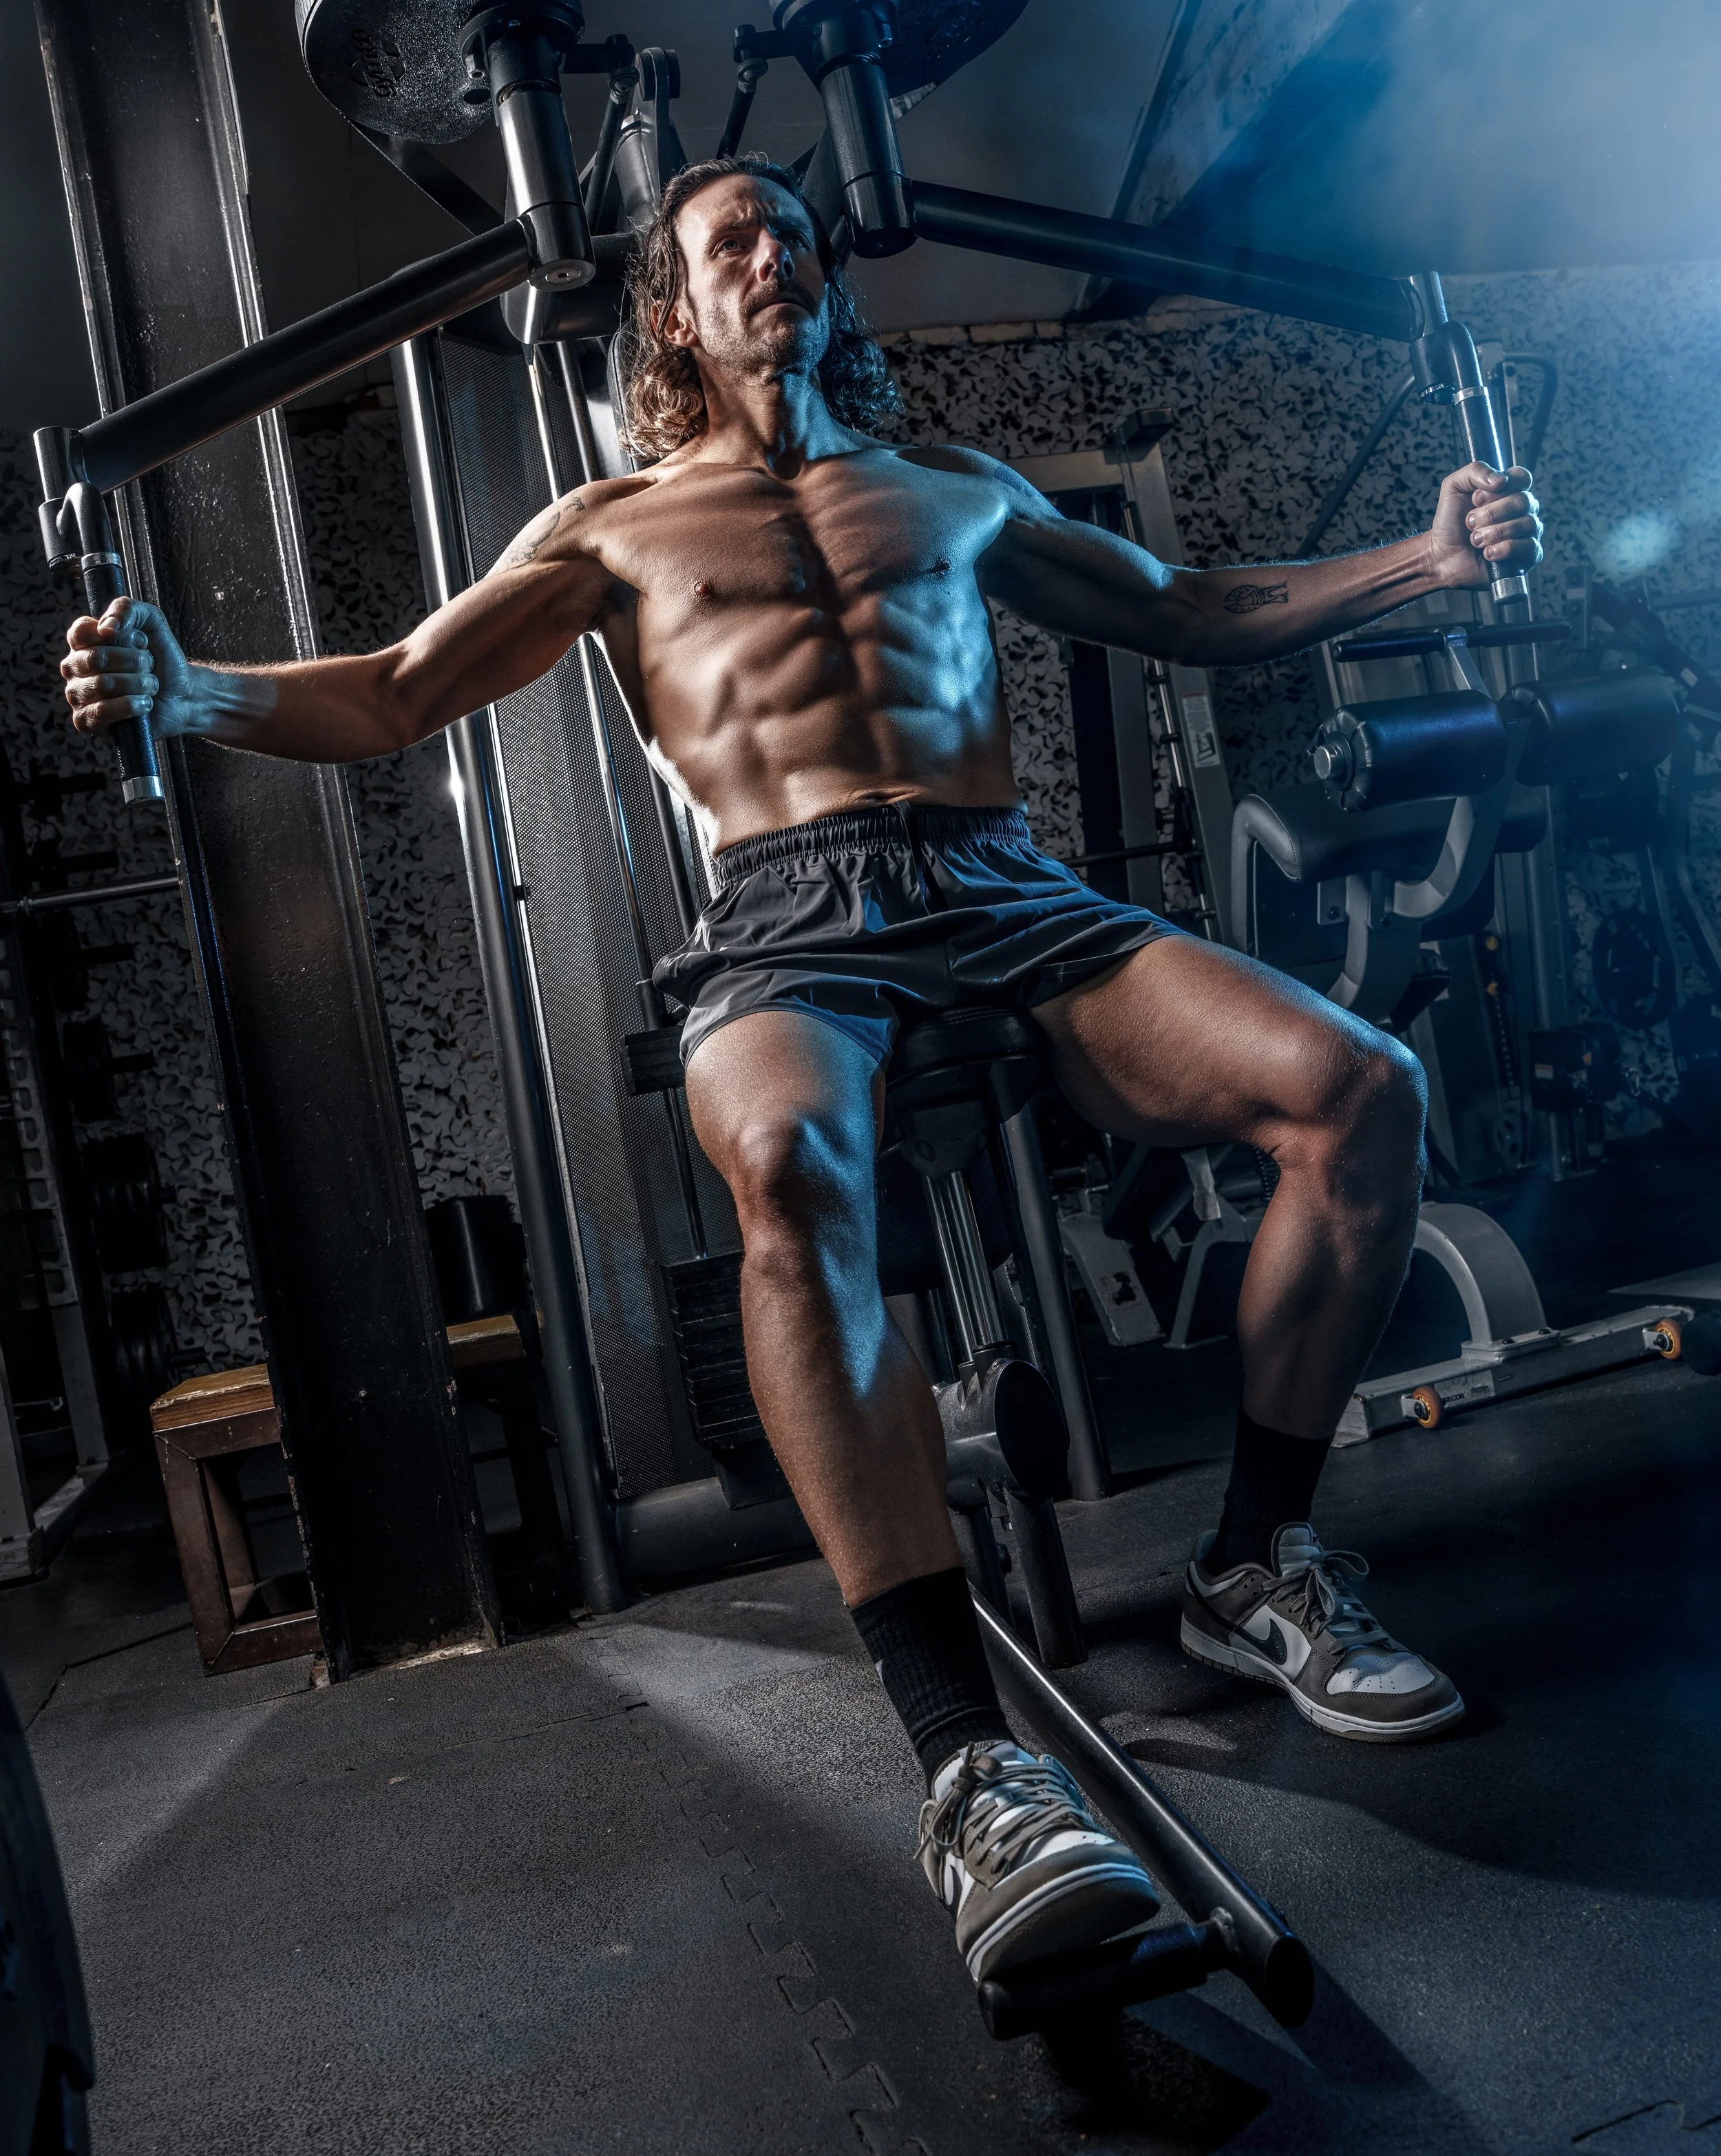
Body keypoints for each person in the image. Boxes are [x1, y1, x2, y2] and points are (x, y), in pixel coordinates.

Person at [61, 153, 1541, 1988]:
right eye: (728, 240)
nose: (774, 254)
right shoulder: (610, 528)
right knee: (786, 1167)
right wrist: (185, 690)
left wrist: (1425, 554)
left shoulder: (951, 491)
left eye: (793, 235)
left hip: (1002, 884)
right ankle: (969, 1761)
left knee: (1358, 1084)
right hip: (781, 910)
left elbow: (1197, 606)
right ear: (674, 307)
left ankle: (1256, 1559)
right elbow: (391, 690)